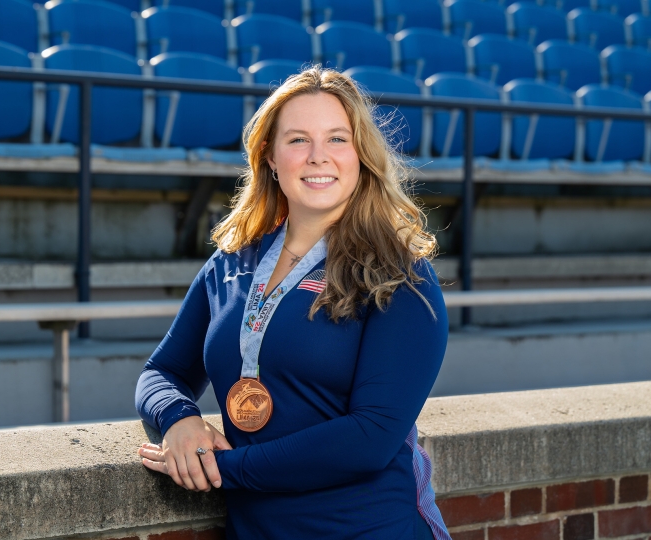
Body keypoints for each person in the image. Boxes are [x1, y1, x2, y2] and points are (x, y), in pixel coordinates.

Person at [135, 65, 451, 540]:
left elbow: (371, 437)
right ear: (269, 157)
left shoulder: (399, 275)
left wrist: (223, 469)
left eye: (338, 140)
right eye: (299, 140)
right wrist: (179, 421)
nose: (318, 157)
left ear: (362, 155)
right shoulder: (232, 263)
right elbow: (162, 373)